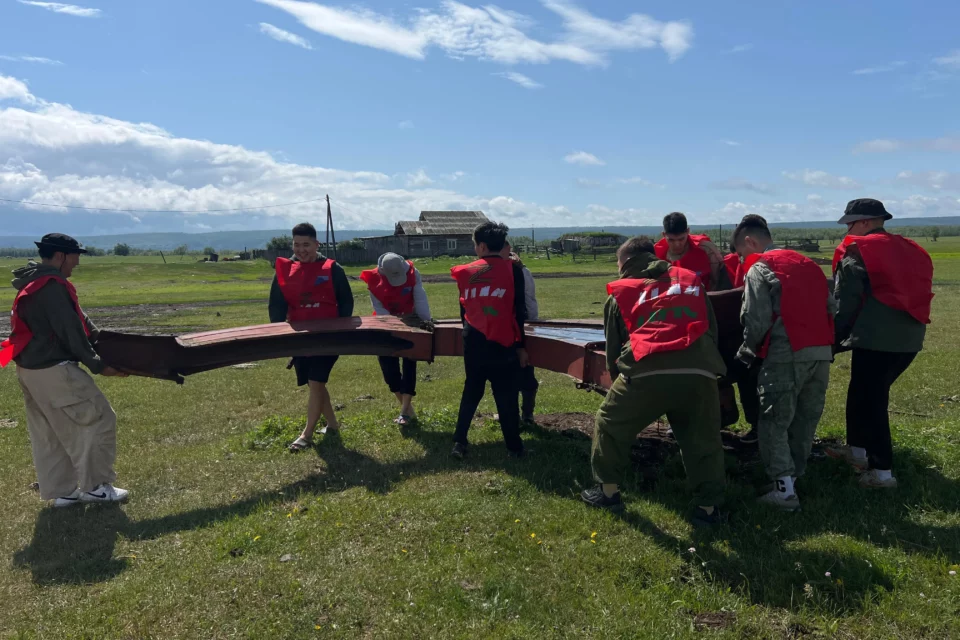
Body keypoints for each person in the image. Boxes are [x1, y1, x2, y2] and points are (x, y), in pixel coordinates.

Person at [581, 236, 727, 526]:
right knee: (703, 440)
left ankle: (608, 492)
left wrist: (618, 381)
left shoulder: (621, 291)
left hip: (645, 370)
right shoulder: (691, 281)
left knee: (609, 423)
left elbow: (613, 349)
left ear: (624, 262)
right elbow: (710, 329)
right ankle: (708, 509)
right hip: (699, 371)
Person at [0, 234, 129, 507]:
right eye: (75, 256)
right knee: (99, 417)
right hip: (53, 370)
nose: (77, 262)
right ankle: (96, 487)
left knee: (49, 432)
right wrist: (99, 365)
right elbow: (70, 330)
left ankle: (63, 492)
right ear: (61, 256)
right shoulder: (51, 286)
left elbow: (80, 320)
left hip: (29, 370)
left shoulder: (35, 281)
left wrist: (103, 340)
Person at [827, 199, 933, 488]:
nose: (847, 230)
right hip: (910, 337)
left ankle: (882, 472)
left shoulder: (857, 252)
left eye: (850, 224)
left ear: (864, 222)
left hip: (875, 339)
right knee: (861, 391)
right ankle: (857, 451)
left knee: (873, 401)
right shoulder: (911, 248)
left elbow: (847, 301)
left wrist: (834, 337)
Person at [733, 215, 835, 510]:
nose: (742, 259)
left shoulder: (760, 268)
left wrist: (747, 352)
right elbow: (831, 306)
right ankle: (794, 478)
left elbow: (756, 318)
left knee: (774, 421)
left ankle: (783, 489)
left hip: (785, 354)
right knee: (805, 419)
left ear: (750, 242)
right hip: (820, 353)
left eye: (741, 253)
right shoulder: (808, 264)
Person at [268, 223, 354, 451]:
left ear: (317, 244)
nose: (301, 250)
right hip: (299, 336)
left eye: (306, 244)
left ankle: (306, 435)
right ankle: (332, 424)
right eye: (296, 245)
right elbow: (276, 304)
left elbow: (346, 302)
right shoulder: (285, 270)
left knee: (316, 381)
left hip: (328, 336)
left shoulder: (333, 269)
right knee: (313, 383)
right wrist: (278, 334)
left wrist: (341, 331)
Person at [449, 221, 530, 459]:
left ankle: (459, 442)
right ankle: (514, 448)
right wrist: (521, 346)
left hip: (473, 338)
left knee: (472, 390)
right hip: (503, 341)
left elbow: (463, 310)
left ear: (482, 246)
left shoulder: (464, 272)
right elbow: (519, 311)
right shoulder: (514, 271)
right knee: (506, 395)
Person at [359, 252, 432, 426]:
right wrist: (394, 326)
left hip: (411, 319)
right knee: (389, 370)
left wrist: (426, 322)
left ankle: (404, 411)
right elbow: (379, 308)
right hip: (385, 322)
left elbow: (420, 298)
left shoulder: (414, 273)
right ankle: (408, 411)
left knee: (409, 364)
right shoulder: (373, 279)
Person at [501, 241, 539, 426]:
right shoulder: (524, 271)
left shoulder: (517, 272)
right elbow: (531, 300)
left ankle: (521, 415)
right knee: (523, 371)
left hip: (514, 326)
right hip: (522, 325)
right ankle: (525, 414)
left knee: (518, 372)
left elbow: (527, 300)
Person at [654, 212, 733, 292]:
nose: (677, 244)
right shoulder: (656, 254)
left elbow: (718, 283)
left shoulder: (706, 249)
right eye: (671, 240)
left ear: (688, 231)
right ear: (664, 235)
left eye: (681, 239)